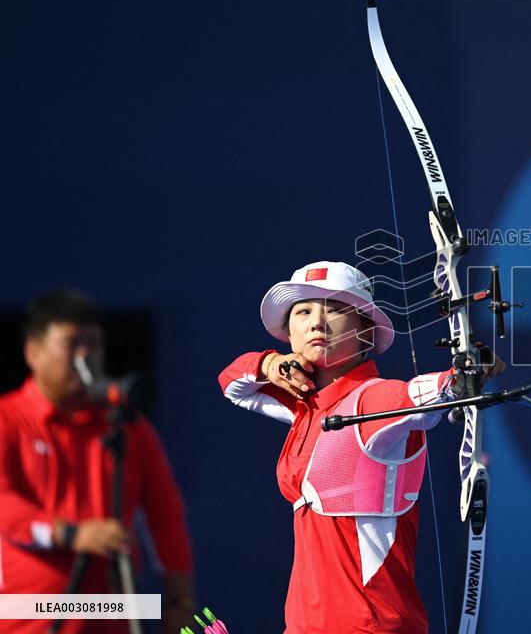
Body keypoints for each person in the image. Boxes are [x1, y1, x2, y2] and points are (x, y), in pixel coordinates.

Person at [218, 261, 503, 634]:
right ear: (288, 333)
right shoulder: (305, 408)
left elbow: (416, 396)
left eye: (335, 309)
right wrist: (269, 364)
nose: (317, 322)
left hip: (370, 626)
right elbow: (232, 385)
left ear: (366, 333)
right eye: (303, 312)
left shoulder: (372, 400)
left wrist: (460, 377)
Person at [0, 290, 195, 634]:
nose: (85, 356)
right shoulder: (6, 419)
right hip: (25, 617)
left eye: (94, 344)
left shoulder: (129, 426)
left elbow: (164, 515)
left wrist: (181, 602)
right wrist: (70, 534)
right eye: (72, 343)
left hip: (113, 616)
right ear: (33, 352)